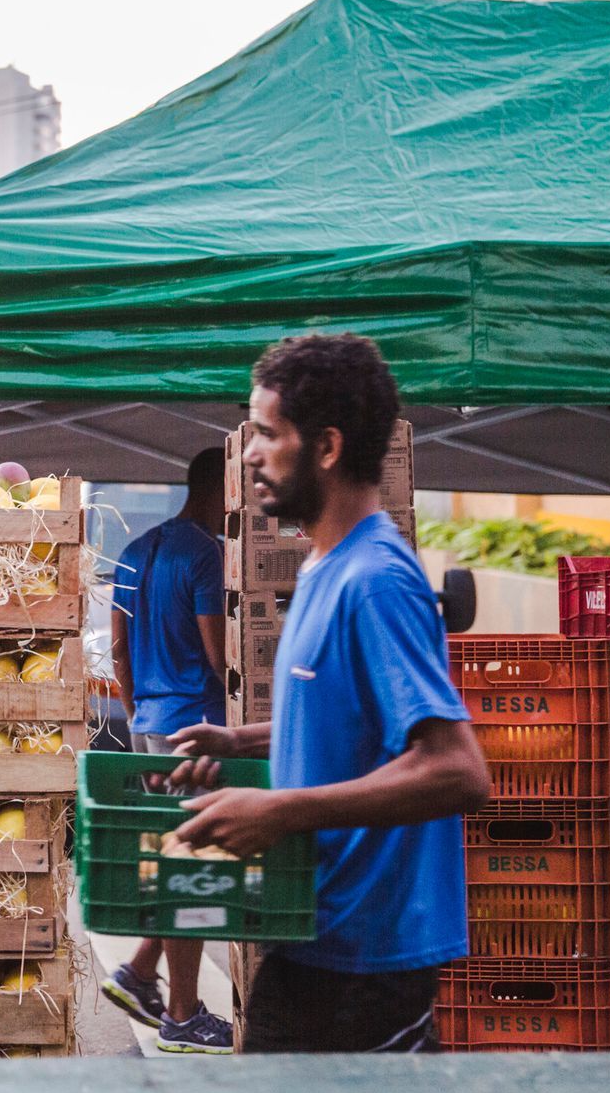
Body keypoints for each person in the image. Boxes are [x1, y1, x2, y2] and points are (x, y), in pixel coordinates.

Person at [168, 333, 490, 1054]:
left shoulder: (376, 579)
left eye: (267, 434)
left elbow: (457, 770)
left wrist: (279, 809)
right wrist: (240, 743)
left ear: (327, 447)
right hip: (314, 937)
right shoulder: (322, 567)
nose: (249, 453)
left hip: (368, 964)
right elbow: (350, 722)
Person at [102, 447, 236, 1054]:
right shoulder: (205, 553)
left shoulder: (134, 552)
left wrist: (135, 714)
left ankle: (137, 971)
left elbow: (120, 652)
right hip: (196, 727)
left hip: (148, 723)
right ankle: (183, 1015)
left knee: (174, 855)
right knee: (195, 869)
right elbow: (219, 656)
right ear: (224, 488)